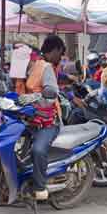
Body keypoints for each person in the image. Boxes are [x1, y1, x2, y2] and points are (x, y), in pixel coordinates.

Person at [18, 35, 65, 200]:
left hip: (48, 121)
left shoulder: (46, 68)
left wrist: (32, 99)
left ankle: (40, 187)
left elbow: (51, 95)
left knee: (38, 150)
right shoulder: (25, 69)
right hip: (28, 118)